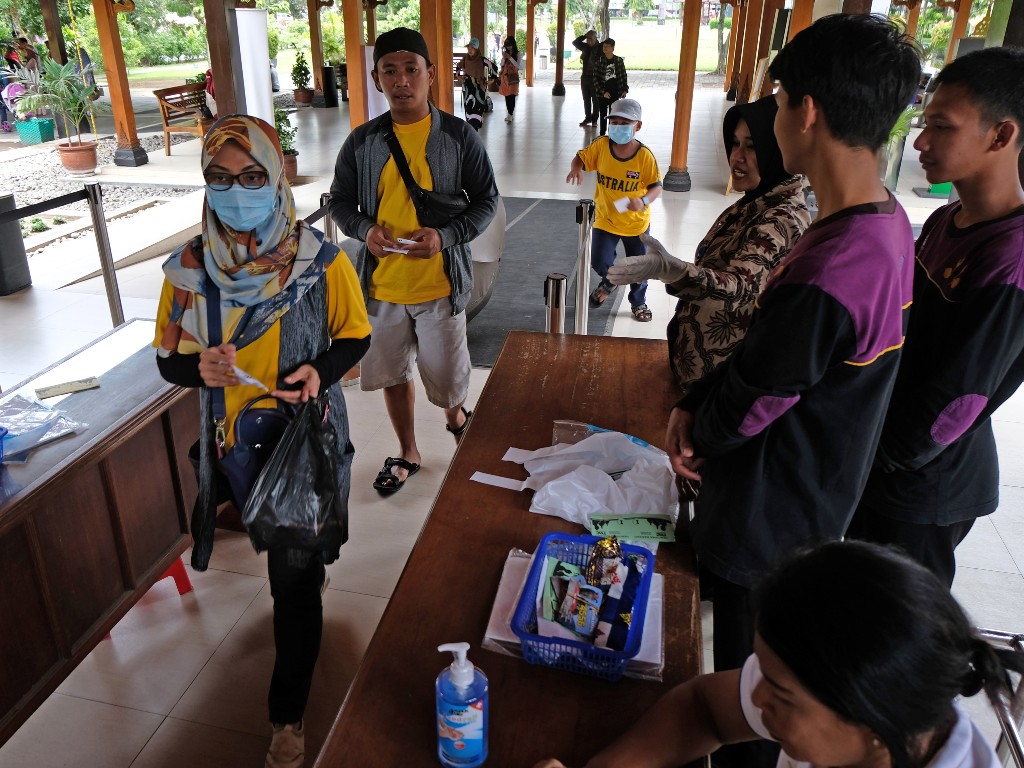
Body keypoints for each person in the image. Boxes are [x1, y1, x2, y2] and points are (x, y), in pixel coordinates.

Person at [665, 14, 919, 767]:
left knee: (756, 694)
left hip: (770, 513)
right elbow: (766, 357)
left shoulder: (833, 269)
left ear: (807, 110)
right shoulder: (882, 223)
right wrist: (698, 394)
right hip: (812, 493)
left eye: (777, 99)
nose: (771, 117)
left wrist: (695, 430)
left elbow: (758, 394)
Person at [153, 114, 371, 768]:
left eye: (251, 176)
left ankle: (287, 717)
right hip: (238, 445)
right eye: (220, 178)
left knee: (292, 584)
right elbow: (166, 357)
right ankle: (309, 569)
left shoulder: (319, 261)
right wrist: (200, 369)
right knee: (291, 562)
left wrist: (319, 371)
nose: (237, 191)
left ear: (276, 175)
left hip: (304, 442)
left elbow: (354, 336)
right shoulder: (191, 268)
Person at [533, 540, 1024, 768]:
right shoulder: (876, 716)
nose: (757, 696)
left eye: (783, 696)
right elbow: (704, 708)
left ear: (876, 728)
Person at [848, 47, 1024, 588]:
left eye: (941, 128)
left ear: (1000, 136)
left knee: (889, 639)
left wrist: (861, 456)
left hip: (923, 488)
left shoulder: (1012, 258)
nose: (920, 143)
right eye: (923, 124)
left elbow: (955, 404)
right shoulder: (948, 219)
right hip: (884, 462)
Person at [328, 27, 498, 494]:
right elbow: (339, 202)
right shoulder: (362, 143)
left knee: (447, 378)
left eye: (411, 69)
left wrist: (445, 238)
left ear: (431, 75)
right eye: (390, 71)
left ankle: (456, 415)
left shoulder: (458, 136)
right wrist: (367, 231)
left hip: (440, 286)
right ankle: (408, 451)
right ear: (376, 78)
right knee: (390, 374)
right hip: (381, 288)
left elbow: (486, 200)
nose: (401, 80)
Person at [607, 95, 811, 393]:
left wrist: (672, 271)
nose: (736, 156)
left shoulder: (781, 219)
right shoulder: (758, 200)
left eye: (752, 146)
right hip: (700, 377)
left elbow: (738, 287)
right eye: (735, 142)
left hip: (720, 391)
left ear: (779, 148)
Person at [566, 98, 662, 323]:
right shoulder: (601, 146)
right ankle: (610, 281)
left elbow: (656, 187)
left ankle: (638, 302)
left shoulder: (644, 157)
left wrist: (644, 200)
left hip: (636, 224)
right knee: (599, 260)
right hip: (605, 219)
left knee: (640, 268)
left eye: (624, 123)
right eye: (614, 122)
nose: (618, 127)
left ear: (637, 126)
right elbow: (581, 158)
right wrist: (576, 169)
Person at [456, 37, 496, 129]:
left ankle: (475, 129)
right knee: (468, 108)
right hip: (467, 87)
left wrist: (493, 79)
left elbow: (493, 66)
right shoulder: (465, 59)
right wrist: (459, 77)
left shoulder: (482, 60)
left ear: (476, 49)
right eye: (468, 48)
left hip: (479, 88)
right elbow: (458, 68)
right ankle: (471, 130)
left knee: (477, 108)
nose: (470, 50)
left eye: (472, 48)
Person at [593, 38, 627, 136]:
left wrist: (624, 89)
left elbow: (623, 75)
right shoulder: (599, 61)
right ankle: (602, 134)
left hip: (615, 91)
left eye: (607, 46)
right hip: (602, 92)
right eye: (604, 46)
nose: (605, 48)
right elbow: (595, 79)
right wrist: (603, 92)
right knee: (603, 114)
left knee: (613, 115)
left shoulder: (618, 61)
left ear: (612, 48)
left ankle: (612, 134)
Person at [572, 29, 600, 127]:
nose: (589, 41)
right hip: (585, 77)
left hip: (595, 78)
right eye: (587, 39)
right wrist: (584, 35)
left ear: (595, 38)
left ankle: (595, 119)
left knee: (595, 100)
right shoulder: (585, 46)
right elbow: (575, 42)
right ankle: (587, 117)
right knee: (586, 98)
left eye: (591, 39)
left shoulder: (600, 48)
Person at [498, 36, 521, 123]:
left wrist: (510, 57)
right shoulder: (505, 53)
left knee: (512, 96)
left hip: (513, 78)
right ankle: (509, 113)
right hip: (505, 78)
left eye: (510, 45)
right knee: (507, 96)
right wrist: (504, 58)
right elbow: (501, 64)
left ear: (513, 45)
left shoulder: (517, 54)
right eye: (507, 45)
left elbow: (518, 66)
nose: (508, 47)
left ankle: (510, 114)